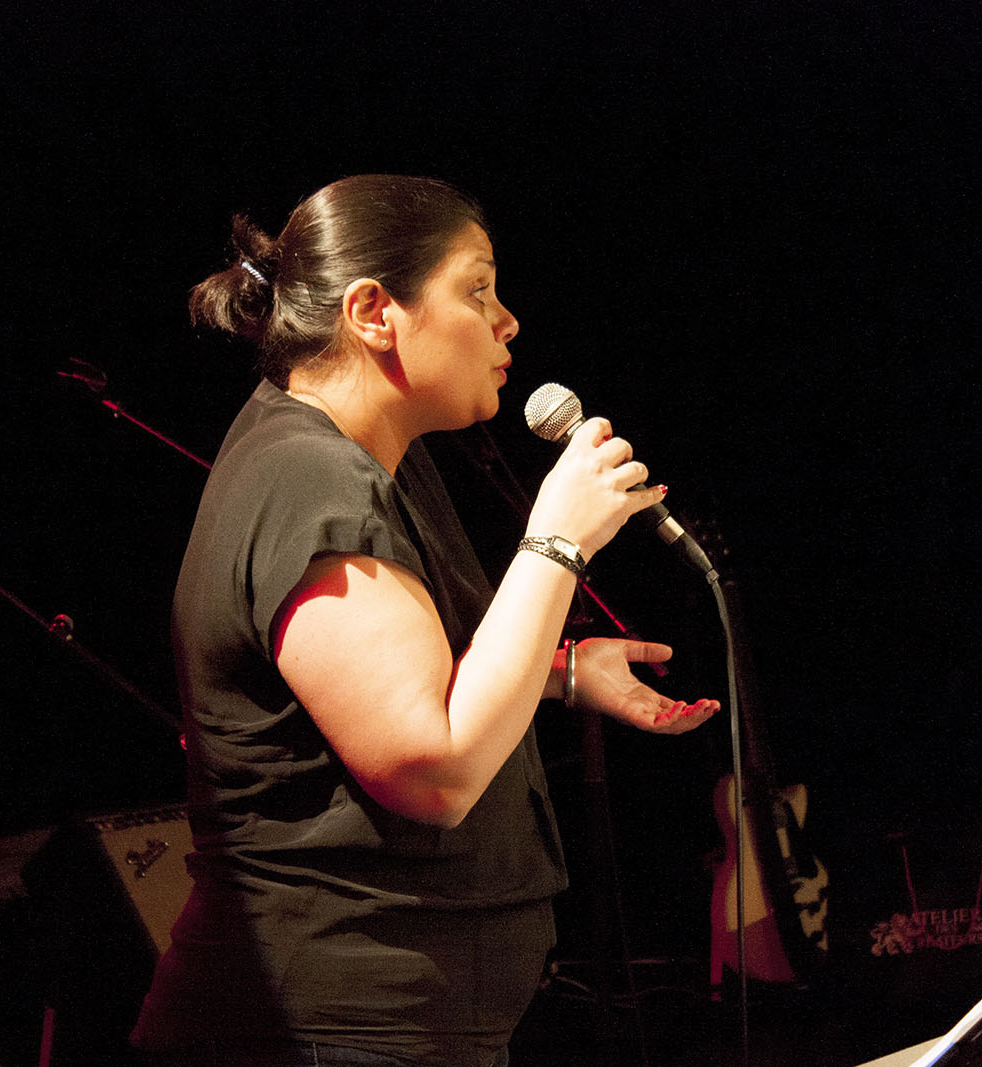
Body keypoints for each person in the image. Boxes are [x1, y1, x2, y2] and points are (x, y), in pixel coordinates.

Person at [131, 174, 718, 1067]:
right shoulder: (309, 477)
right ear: (374, 312)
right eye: (477, 290)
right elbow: (431, 770)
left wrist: (559, 672)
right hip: (320, 1033)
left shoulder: (372, 463)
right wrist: (557, 542)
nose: (506, 321)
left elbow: (392, 688)